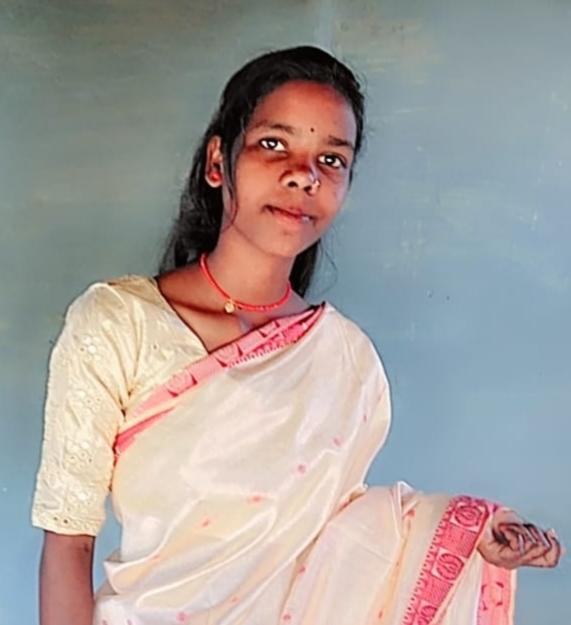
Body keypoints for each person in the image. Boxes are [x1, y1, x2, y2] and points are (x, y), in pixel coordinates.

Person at [32, 46, 562, 625]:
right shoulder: (118, 324)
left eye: (331, 160)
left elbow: (339, 539)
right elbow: (68, 539)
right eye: (273, 144)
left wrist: (468, 535)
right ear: (218, 162)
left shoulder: (347, 358)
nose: (303, 175)